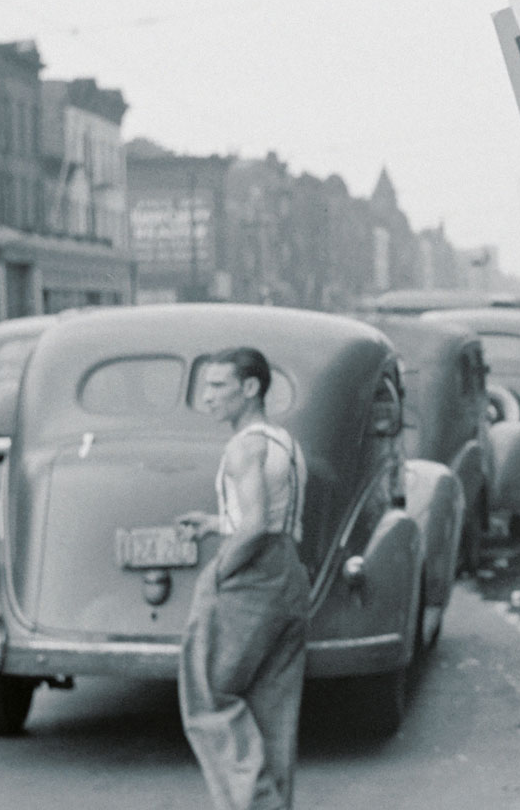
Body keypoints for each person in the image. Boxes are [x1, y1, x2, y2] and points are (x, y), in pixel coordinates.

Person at [176, 347, 310, 810]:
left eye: (217, 386)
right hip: (289, 573)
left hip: (251, 576)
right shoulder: (283, 442)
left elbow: (253, 527)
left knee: (207, 695)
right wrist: (215, 523)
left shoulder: (242, 446)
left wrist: (217, 572)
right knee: (272, 709)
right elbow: (272, 517)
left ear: (250, 388)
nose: (207, 398)